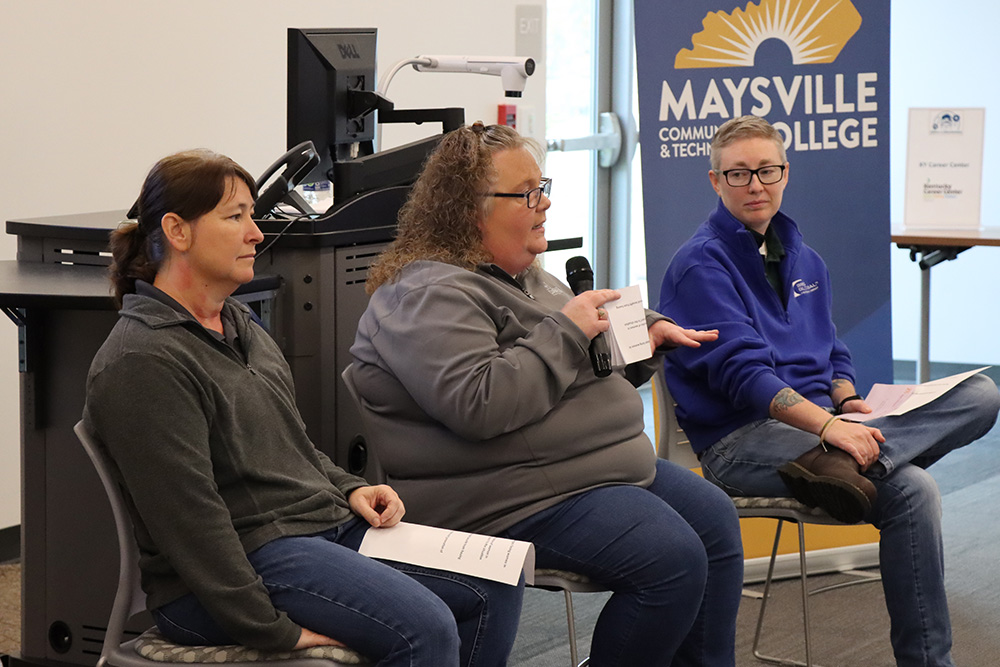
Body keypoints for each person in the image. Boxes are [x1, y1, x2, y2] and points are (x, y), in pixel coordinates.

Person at [82, 149, 523, 667]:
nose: (256, 234)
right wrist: (271, 632)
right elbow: (192, 526)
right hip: (234, 570)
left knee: (496, 584)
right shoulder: (142, 360)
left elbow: (291, 445)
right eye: (236, 216)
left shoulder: (238, 323)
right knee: (422, 628)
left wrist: (349, 487)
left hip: (313, 531)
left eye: (251, 215)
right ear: (177, 231)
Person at [350, 122, 744, 667]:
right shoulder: (426, 295)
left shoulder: (527, 276)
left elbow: (577, 368)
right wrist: (568, 331)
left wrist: (637, 340)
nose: (545, 203)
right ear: (470, 209)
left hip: (582, 468)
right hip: (505, 493)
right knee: (672, 558)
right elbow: (480, 404)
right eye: (528, 193)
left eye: (544, 186)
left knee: (715, 521)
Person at [657, 115, 1000, 667]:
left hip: (823, 427)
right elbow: (745, 378)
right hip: (741, 441)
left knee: (982, 395)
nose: (755, 185)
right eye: (738, 174)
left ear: (785, 173)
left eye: (766, 171)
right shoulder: (701, 265)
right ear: (715, 181)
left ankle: (840, 465)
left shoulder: (804, 257)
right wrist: (830, 427)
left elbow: (832, 348)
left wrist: (845, 400)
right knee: (914, 490)